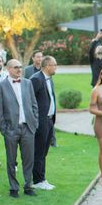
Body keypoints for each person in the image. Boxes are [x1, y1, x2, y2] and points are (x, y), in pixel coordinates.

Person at [0, 59, 39, 198]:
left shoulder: (27, 83)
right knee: (11, 160)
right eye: (16, 67)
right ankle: (14, 188)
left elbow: (34, 104)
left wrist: (34, 123)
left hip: (28, 128)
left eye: (20, 67)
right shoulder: (0, 86)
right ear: (8, 69)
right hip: (11, 129)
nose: (19, 70)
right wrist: (4, 129)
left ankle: (28, 185)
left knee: (29, 159)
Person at [30, 55, 58, 190]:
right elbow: (29, 100)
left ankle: (41, 178)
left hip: (49, 120)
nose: (56, 68)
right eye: (54, 65)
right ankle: (37, 180)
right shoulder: (36, 79)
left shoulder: (49, 79)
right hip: (40, 121)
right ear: (47, 66)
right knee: (39, 151)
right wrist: (34, 120)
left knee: (44, 151)